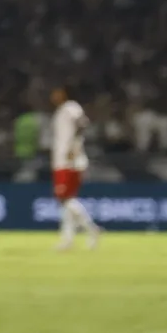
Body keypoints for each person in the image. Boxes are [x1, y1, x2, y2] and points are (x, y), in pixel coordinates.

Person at [50, 84, 102, 251]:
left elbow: (82, 124)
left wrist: (74, 146)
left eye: (57, 91)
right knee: (67, 199)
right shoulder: (61, 111)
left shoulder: (71, 107)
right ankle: (68, 239)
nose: (53, 95)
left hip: (69, 159)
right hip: (62, 159)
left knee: (64, 197)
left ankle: (92, 229)